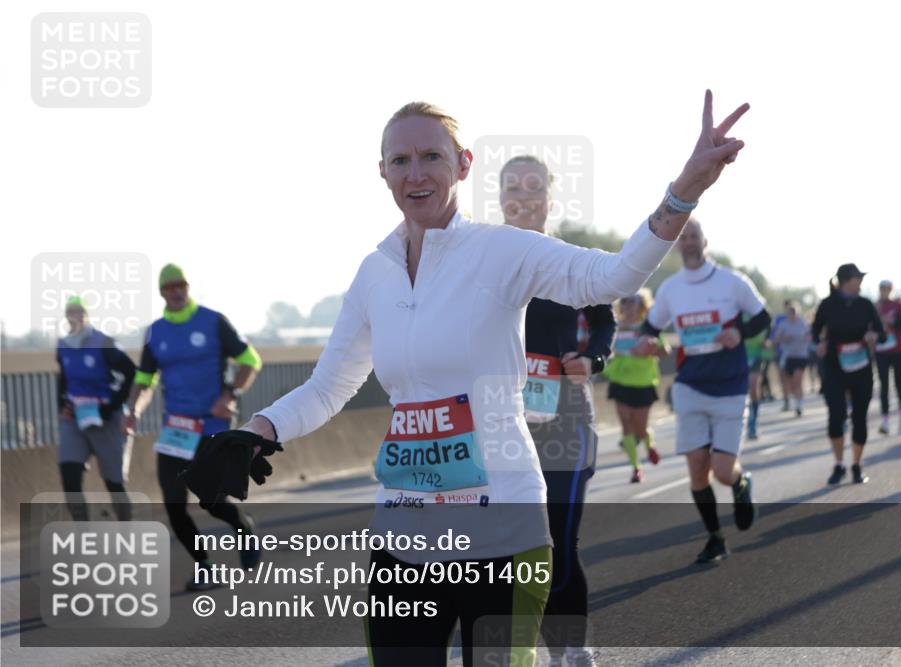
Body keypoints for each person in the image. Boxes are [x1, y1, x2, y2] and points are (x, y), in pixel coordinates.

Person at [229, 94, 750, 665]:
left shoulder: (501, 251)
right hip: (404, 537)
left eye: (432, 156)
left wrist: (685, 191)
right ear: (382, 172)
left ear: (464, 164)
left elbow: (615, 276)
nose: (416, 173)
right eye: (400, 161)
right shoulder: (373, 272)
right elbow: (329, 386)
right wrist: (257, 429)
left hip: (503, 530)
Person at [500, 154, 614, 667]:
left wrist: (592, 359)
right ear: (500, 198)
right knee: (514, 547)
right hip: (499, 421)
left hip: (565, 416)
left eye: (533, 186)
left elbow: (605, 319)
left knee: (558, 543)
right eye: (511, 187)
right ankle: (535, 650)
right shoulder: (483, 261)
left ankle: (571, 651)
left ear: (549, 196)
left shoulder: (572, 259)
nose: (522, 196)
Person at [637, 220, 770, 564]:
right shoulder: (670, 289)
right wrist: (649, 342)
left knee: (723, 471)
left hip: (729, 386)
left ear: (705, 241)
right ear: (677, 245)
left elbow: (762, 318)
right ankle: (715, 538)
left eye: (694, 235)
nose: (689, 242)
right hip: (690, 385)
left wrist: (738, 332)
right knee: (698, 467)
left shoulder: (732, 282)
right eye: (683, 238)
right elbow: (649, 327)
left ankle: (741, 485)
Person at [124, 264, 263, 591]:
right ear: (162, 292)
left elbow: (250, 360)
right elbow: (144, 379)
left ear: (188, 287)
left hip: (211, 425)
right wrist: (133, 411)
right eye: (170, 286)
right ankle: (205, 566)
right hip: (176, 430)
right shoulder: (156, 332)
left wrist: (231, 393)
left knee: (212, 501)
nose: (176, 290)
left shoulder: (212, 321)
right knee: (173, 504)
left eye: (181, 284)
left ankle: (242, 527)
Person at [56, 295, 136, 522]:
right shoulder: (63, 345)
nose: (75, 316)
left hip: (106, 417)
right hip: (75, 418)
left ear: (86, 314)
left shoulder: (103, 342)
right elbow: (63, 378)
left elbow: (132, 372)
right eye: (70, 311)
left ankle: (126, 532)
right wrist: (62, 405)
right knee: (69, 477)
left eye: (79, 311)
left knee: (114, 483)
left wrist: (110, 407)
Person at [811, 264, 885, 486]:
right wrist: (818, 344)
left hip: (861, 366)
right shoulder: (828, 304)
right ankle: (839, 464)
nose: (860, 282)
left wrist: (874, 336)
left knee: (860, 417)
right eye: (857, 278)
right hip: (834, 365)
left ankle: (856, 465)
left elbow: (881, 333)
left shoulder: (865, 304)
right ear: (845, 281)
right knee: (836, 414)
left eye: (861, 278)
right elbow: (815, 330)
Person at [604, 289, 667, 483]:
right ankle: (636, 468)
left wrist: (654, 347)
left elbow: (664, 350)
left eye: (632, 301)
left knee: (640, 429)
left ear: (642, 306)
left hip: (643, 382)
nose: (627, 305)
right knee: (626, 426)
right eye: (624, 301)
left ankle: (649, 443)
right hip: (619, 379)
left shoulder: (647, 327)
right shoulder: (613, 326)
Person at [874, 279, 901, 435]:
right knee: (883, 385)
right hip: (882, 350)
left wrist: (893, 321)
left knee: (899, 384)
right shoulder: (874, 307)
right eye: (882, 288)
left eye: (887, 288)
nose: (884, 291)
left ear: (891, 290)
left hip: (898, 350)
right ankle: (885, 421)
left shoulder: (897, 305)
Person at [770, 301, 811, 416]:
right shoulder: (783, 324)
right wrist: (783, 338)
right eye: (789, 312)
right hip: (788, 356)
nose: (792, 314)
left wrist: (805, 338)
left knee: (798, 379)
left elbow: (809, 336)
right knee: (791, 383)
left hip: (801, 356)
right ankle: (794, 399)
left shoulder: (802, 323)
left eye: (793, 312)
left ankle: (799, 405)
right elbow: (775, 340)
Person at [743, 315, 767, 439]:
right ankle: (745, 422)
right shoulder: (734, 315)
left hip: (756, 358)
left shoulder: (756, 314)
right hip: (740, 359)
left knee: (753, 389)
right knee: (743, 392)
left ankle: (753, 423)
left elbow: (765, 342)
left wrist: (766, 344)